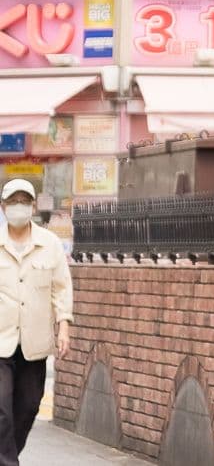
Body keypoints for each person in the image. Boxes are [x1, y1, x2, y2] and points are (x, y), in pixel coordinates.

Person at [0, 178, 70, 466]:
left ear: (32, 206)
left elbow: (61, 288)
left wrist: (64, 325)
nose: (19, 207)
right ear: (3, 207)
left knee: (28, 407)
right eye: (13, 202)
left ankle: (7, 454)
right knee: (1, 409)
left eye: (24, 202)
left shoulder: (49, 244)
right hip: (1, 340)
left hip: (35, 341)